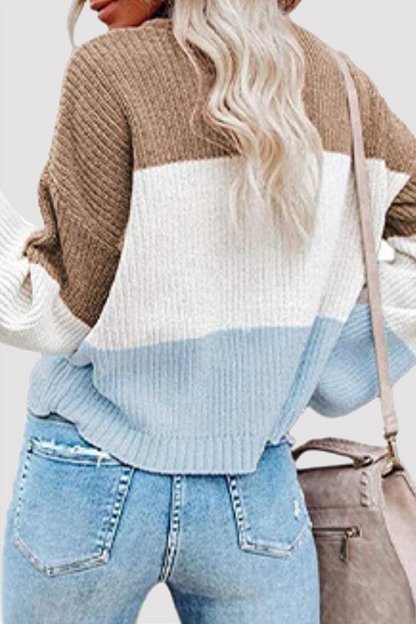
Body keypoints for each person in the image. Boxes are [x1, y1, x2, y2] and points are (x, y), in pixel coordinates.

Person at [1, 0, 415, 622]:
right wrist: (310, 363)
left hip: (88, 477)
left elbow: (56, 314)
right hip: (256, 490)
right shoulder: (342, 85)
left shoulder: (108, 70)